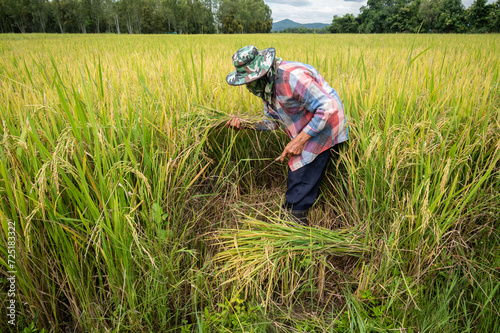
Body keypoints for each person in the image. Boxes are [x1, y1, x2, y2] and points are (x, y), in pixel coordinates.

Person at [225, 45, 348, 225]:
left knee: (300, 174)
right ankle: (292, 213)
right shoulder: (265, 87)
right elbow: (273, 122)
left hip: (327, 123)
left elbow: (328, 107)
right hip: (307, 123)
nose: (250, 85)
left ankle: (296, 225)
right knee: (299, 173)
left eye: (253, 79)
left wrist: (299, 141)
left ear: (265, 69)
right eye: (247, 81)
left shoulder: (292, 77)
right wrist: (245, 125)